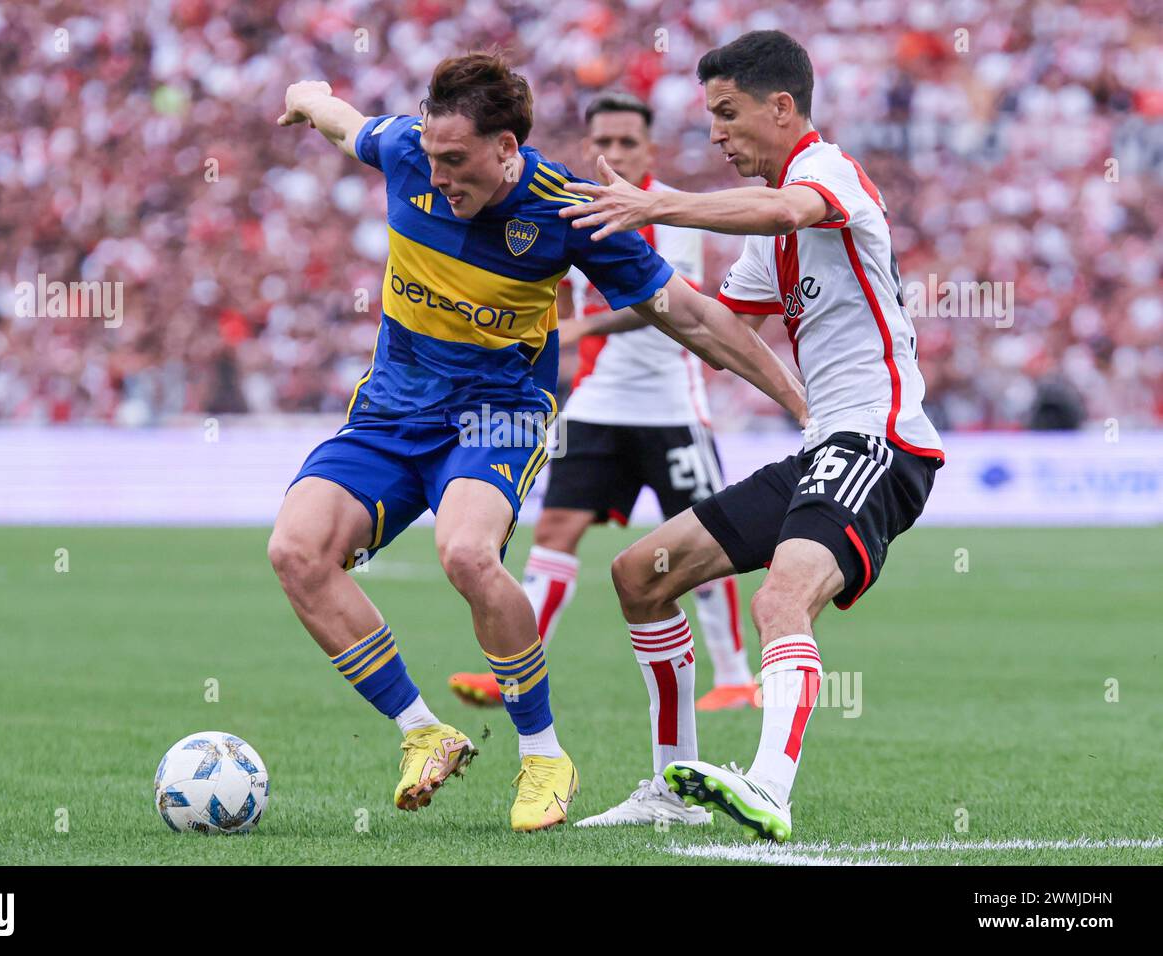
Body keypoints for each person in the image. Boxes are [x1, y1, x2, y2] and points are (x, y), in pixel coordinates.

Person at [267, 51, 806, 831]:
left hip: (497, 413)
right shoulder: (404, 150)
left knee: (465, 553)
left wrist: (793, 396)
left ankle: (543, 754)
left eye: (458, 160)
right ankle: (425, 732)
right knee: (295, 552)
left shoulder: (566, 208)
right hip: (388, 413)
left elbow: (687, 314)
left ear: (507, 150)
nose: (440, 172)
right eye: (432, 154)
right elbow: (340, 120)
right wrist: (304, 91)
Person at [560, 30, 944, 841]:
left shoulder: (823, 173)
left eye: (727, 116)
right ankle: (668, 784)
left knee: (780, 598)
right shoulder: (774, 239)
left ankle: (768, 785)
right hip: (824, 448)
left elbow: (783, 206)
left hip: (881, 444)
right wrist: (578, 324)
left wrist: (657, 203)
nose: (716, 135)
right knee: (639, 574)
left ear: (782, 106)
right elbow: (706, 320)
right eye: (710, 118)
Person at [448, 93, 758, 730]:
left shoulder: (669, 213)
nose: (614, 153)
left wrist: (579, 328)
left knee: (704, 540)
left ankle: (733, 678)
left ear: (649, 150)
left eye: (627, 143)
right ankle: (511, 666)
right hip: (598, 405)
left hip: (674, 407)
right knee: (556, 530)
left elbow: (667, 302)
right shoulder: (573, 206)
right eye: (604, 143)